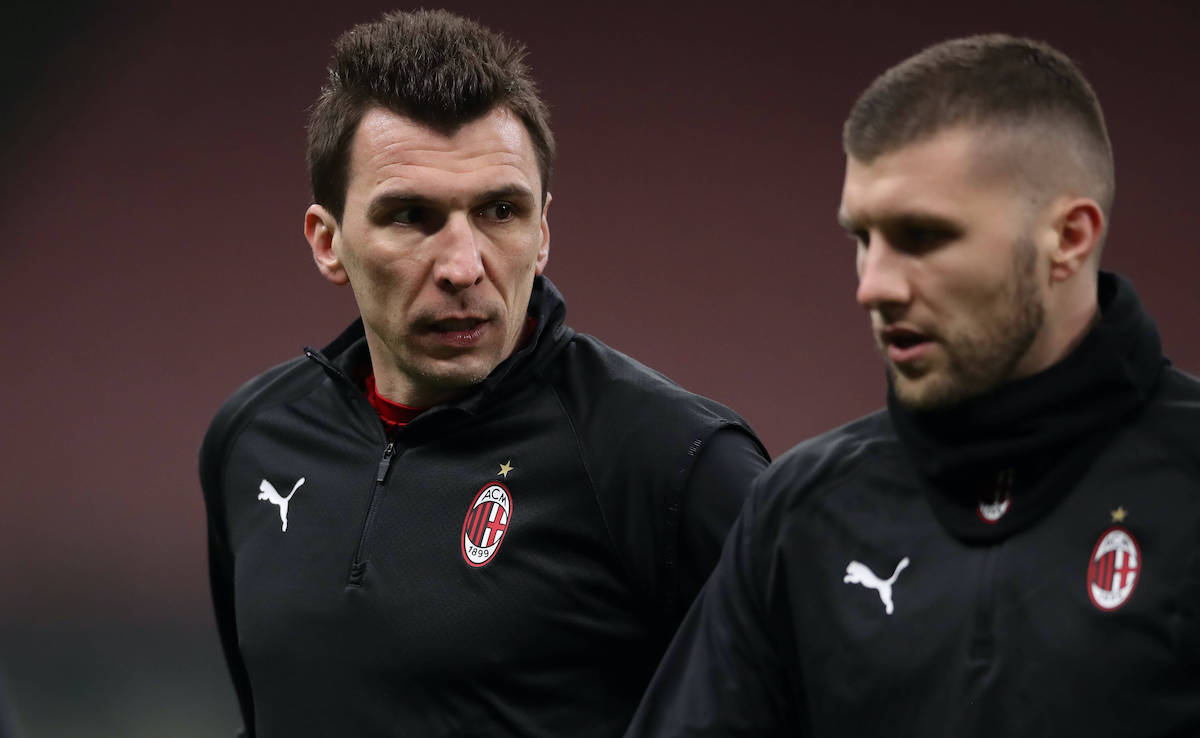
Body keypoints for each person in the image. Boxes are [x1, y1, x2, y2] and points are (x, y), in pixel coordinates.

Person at [198, 9, 768, 738]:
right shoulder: (252, 439)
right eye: (411, 216)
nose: (463, 266)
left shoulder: (673, 460)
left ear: (543, 233)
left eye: (500, 211)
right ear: (328, 241)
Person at [626, 34, 1200, 737]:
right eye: (862, 238)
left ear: (1069, 239)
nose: (874, 286)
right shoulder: (803, 509)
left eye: (922, 237)